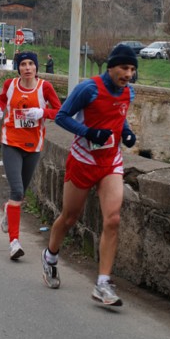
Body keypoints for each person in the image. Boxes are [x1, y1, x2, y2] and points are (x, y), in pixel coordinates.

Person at [41, 44, 138, 307]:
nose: (128, 74)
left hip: (110, 163)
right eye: (124, 68)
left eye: (132, 69)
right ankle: (50, 256)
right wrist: (88, 132)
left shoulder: (129, 92)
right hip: (83, 160)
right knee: (70, 217)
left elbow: (120, 116)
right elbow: (61, 116)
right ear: (111, 67)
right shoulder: (89, 88)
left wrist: (127, 133)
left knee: (113, 219)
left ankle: (103, 283)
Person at [0, 51, 61, 260]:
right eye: (23, 64)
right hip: (11, 141)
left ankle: (8, 209)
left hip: (33, 145)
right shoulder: (10, 85)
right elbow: (2, 99)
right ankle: (14, 242)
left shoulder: (45, 88)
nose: (27, 68)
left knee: (19, 195)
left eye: (31, 64)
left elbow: (60, 111)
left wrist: (43, 113)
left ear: (36, 67)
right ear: (18, 67)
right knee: (17, 190)